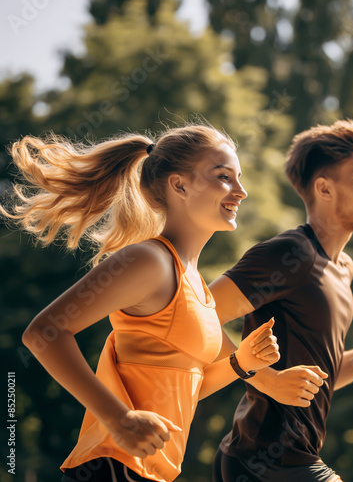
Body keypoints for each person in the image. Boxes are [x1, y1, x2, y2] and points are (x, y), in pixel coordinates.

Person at [1, 125, 281, 482]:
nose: (240, 191)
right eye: (223, 177)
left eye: (238, 178)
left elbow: (186, 385)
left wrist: (242, 363)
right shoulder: (150, 261)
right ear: (179, 185)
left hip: (151, 473)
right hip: (112, 467)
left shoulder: (195, 283)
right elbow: (43, 333)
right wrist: (119, 420)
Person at [210, 119, 353, 482]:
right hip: (262, 461)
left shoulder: (343, 269)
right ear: (324, 189)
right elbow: (195, 315)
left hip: (279, 461)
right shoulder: (292, 253)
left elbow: (311, 383)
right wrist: (265, 380)